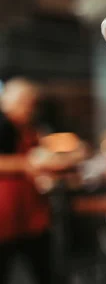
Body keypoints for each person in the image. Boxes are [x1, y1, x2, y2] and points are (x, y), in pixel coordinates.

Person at [0, 78, 52, 283]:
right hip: (6, 218)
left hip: (32, 215)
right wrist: (27, 163)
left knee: (43, 272)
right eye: (23, 102)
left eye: (31, 103)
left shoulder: (30, 127)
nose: (29, 108)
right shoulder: (3, 125)